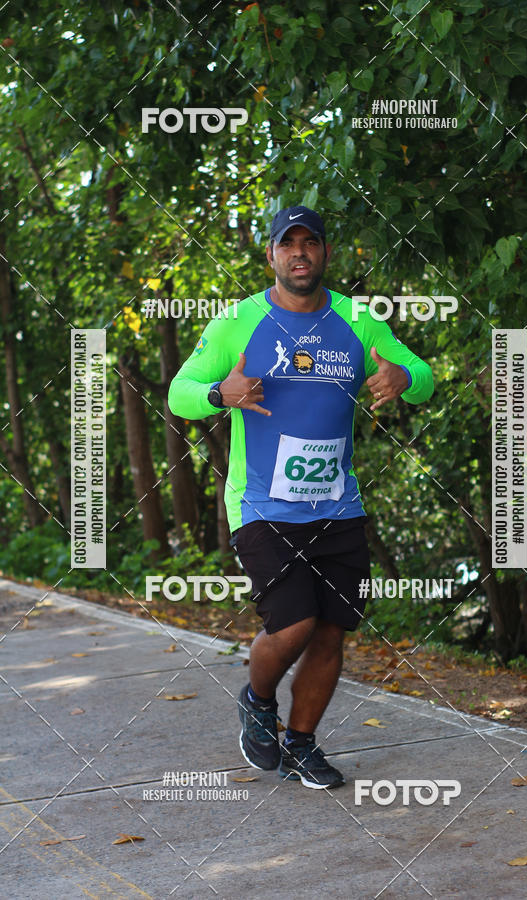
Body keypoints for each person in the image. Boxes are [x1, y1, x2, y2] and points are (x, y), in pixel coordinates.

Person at [168, 205, 434, 789]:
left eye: (309, 242)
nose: (299, 253)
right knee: (294, 622)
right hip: (262, 503)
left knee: (333, 630)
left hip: (338, 504)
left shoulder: (359, 321)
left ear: (324, 253)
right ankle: (258, 698)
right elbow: (178, 393)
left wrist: (404, 379)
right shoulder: (238, 322)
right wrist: (220, 391)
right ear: (271, 255)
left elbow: (421, 372)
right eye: (287, 244)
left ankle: (302, 744)